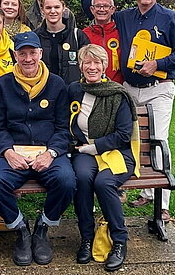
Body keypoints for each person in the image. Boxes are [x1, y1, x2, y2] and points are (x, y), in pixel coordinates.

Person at [72, 0, 175, 222]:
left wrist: (158, 62)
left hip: (159, 87)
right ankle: (135, 187)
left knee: (157, 137)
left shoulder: (169, 18)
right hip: (128, 88)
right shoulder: (125, 17)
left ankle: (162, 203)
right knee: (128, 140)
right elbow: (98, 10)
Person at [0, 32, 76, 267]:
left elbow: (63, 127)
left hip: (47, 153)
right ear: (14, 55)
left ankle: (43, 228)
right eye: (22, 53)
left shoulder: (56, 84)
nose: (27, 59)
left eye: (32, 53)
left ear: (40, 54)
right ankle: (21, 229)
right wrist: (7, 152)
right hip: (14, 153)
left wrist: (51, 153)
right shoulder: (3, 84)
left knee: (67, 181)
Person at [68, 44, 140, 271]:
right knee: (81, 178)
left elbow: (123, 134)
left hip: (117, 151)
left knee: (104, 182)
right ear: (80, 65)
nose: (91, 67)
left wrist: (94, 147)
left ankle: (119, 240)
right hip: (83, 150)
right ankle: (87, 237)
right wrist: (80, 147)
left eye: (96, 62)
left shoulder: (118, 93)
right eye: (87, 62)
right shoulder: (74, 90)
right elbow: (65, 122)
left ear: (104, 66)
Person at [34, 0, 90, 85]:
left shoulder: (77, 35)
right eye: (48, 8)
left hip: (72, 93)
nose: (53, 11)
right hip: (43, 92)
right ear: (42, 9)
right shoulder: (35, 36)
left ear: (63, 8)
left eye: (56, 7)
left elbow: (89, 64)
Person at [80, 0, 123, 84]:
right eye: (98, 6)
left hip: (118, 87)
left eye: (106, 6)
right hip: (91, 87)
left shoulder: (122, 33)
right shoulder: (83, 34)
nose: (102, 9)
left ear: (112, 9)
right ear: (92, 9)